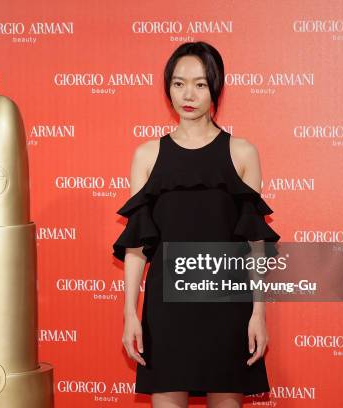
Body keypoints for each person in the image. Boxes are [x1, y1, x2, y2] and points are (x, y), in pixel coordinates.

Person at [112, 42, 280, 408]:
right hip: (166, 309)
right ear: (168, 88)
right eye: (178, 83)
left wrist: (258, 311)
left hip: (226, 306)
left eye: (200, 84)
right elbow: (138, 245)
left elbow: (254, 245)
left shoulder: (242, 152)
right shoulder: (147, 155)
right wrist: (129, 314)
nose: (188, 94)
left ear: (216, 87)